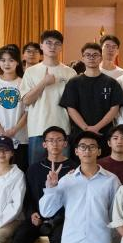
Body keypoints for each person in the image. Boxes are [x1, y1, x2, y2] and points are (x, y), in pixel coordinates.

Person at [8, 126, 76, 243]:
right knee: (19, 239)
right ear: (44, 144)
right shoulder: (34, 168)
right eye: (50, 140)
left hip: (63, 220)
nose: (55, 144)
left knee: (62, 241)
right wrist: (32, 213)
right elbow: (28, 197)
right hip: (37, 217)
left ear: (65, 143)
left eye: (59, 140)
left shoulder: (74, 168)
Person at [21, 30, 76, 165]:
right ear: (41, 45)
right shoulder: (31, 71)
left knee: (63, 171)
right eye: (48, 43)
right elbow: (26, 100)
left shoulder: (70, 72)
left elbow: (74, 104)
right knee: (36, 171)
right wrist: (44, 82)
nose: (52, 46)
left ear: (61, 47)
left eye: (57, 43)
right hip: (38, 129)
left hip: (63, 129)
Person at [59, 42, 123, 140]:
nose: (91, 58)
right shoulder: (73, 83)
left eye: (95, 55)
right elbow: (71, 108)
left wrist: (96, 127)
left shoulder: (111, 83)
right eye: (88, 55)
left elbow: (114, 108)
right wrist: (86, 128)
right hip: (79, 134)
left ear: (101, 58)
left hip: (104, 133)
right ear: (83, 58)